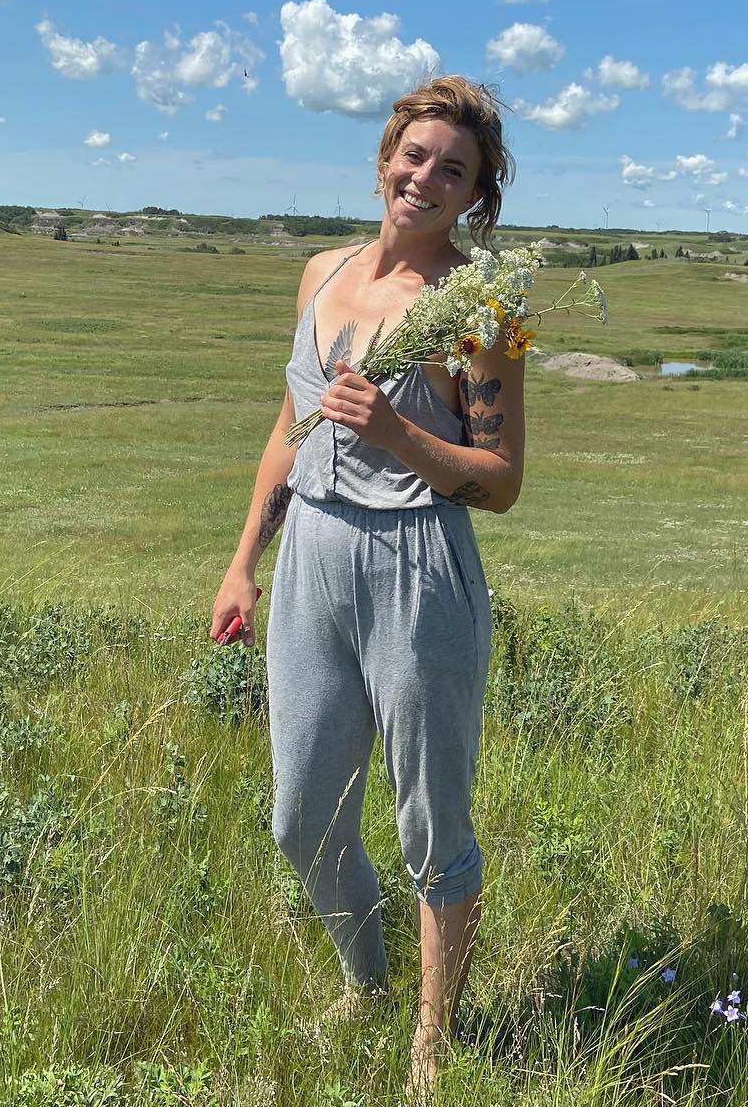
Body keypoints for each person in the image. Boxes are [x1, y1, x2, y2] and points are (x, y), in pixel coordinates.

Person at [210, 75, 522, 1098]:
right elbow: (290, 426)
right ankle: (366, 980)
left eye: (455, 170)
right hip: (312, 557)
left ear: (477, 196)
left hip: (419, 566)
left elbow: (501, 480)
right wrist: (245, 562)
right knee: (301, 817)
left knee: (431, 824)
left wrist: (397, 433)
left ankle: (434, 1039)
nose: (426, 178)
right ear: (386, 156)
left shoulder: (481, 309)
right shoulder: (321, 271)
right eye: (416, 155)